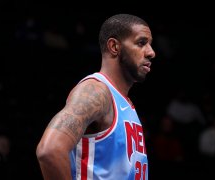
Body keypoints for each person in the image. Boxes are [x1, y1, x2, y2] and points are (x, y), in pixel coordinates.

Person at [36, 14, 156, 180]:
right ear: (114, 46)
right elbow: (50, 150)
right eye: (141, 43)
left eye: (150, 44)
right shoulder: (96, 92)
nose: (151, 52)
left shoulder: (125, 102)